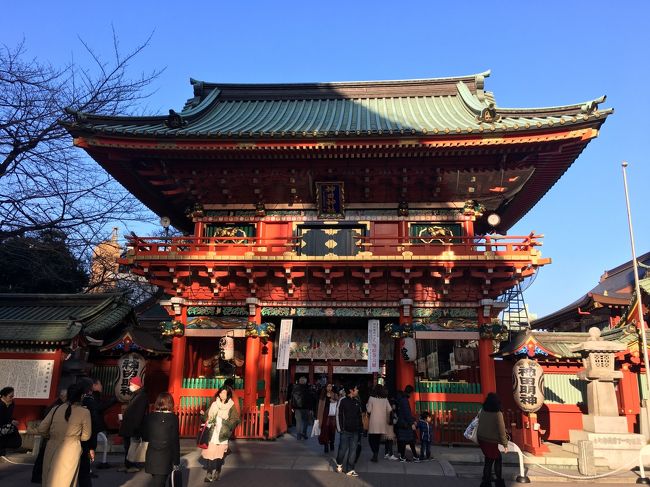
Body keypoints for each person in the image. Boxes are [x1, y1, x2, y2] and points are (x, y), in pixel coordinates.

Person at [37, 383, 91, 487]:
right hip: (71, 447)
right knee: (66, 480)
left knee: (49, 478)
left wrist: (51, 436)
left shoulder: (56, 409)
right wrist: (74, 437)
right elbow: (86, 436)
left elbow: (42, 428)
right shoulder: (84, 412)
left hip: (52, 445)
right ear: (81, 396)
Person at [201, 386, 240, 482]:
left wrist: (226, 425)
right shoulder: (214, 404)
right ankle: (209, 473)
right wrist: (204, 415)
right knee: (210, 452)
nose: (222, 395)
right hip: (212, 432)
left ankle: (217, 471)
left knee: (219, 453)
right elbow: (207, 416)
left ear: (228, 395)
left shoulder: (231, 406)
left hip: (222, 433)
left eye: (224, 393)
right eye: (221, 393)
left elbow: (235, 419)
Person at [143, 393, 180, 487]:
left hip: (152, 455)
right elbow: (175, 440)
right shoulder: (173, 418)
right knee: (160, 482)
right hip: (165, 456)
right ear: (170, 403)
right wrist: (176, 461)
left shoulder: (150, 416)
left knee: (157, 481)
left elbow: (145, 436)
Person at [32, 388, 67, 483]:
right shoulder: (57, 406)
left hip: (49, 433)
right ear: (63, 397)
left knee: (43, 456)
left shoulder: (55, 404)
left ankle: (37, 476)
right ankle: (39, 476)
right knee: (44, 457)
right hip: (50, 434)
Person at [477, 392, 508, 487]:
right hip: (491, 441)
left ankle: (486, 481)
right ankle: (497, 481)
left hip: (482, 439)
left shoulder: (482, 411)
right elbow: (502, 430)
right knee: (496, 459)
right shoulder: (498, 414)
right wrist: (505, 444)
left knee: (489, 459)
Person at [118, 377, 149, 473]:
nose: (129, 386)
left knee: (132, 447)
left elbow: (139, 414)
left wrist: (136, 427)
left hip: (133, 427)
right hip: (129, 426)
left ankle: (132, 465)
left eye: (131, 384)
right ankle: (127, 464)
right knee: (128, 447)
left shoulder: (142, 396)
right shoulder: (136, 395)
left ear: (136, 385)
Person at [335, 383, 362, 477]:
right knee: (342, 450)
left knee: (353, 450)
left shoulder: (357, 401)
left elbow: (359, 416)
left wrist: (360, 429)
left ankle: (350, 469)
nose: (358, 390)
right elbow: (338, 414)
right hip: (345, 430)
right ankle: (339, 463)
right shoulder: (342, 400)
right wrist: (340, 429)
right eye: (356, 389)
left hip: (355, 431)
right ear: (351, 390)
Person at [78, 378, 100, 487]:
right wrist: (92, 446)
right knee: (84, 472)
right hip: (85, 438)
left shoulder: (75, 402)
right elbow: (94, 423)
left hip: (71, 439)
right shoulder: (90, 401)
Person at [365, 384, 392, 462]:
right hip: (382, 422)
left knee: (371, 439)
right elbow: (389, 409)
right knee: (377, 439)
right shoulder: (385, 399)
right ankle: (375, 454)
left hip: (373, 422)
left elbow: (369, 410)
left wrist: (367, 405)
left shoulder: (371, 398)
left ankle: (375, 453)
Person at [396, 385, 419, 462]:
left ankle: (404, 456)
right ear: (410, 392)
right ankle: (411, 456)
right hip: (405, 423)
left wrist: (412, 420)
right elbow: (407, 413)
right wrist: (412, 422)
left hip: (403, 422)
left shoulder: (402, 398)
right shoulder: (404, 400)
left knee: (405, 440)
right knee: (409, 439)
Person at [0, 386, 22, 456]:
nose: (12, 398)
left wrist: (12, 420)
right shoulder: (0, 405)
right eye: (10, 397)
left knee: (17, 441)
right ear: (3, 396)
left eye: (13, 396)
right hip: (1, 427)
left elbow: (8, 416)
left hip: (6, 426)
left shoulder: (12, 404)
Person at [316, 383, 338, 453]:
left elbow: (339, 403)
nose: (329, 388)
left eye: (330, 386)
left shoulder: (334, 394)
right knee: (325, 429)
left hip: (332, 415)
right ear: (325, 387)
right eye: (328, 386)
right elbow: (319, 407)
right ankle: (326, 445)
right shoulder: (322, 395)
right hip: (324, 414)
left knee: (332, 429)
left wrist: (334, 401)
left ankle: (332, 443)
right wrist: (319, 417)